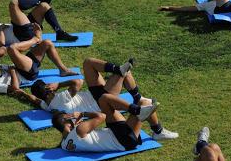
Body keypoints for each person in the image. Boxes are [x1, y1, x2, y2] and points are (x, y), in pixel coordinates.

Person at [29, 57, 179, 140]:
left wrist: (21, 93)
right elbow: (78, 82)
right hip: (100, 101)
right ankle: (157, 129)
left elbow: (35, 100)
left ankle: (127, 82)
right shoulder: (59, 98)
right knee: (120, 72)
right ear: (48, 90)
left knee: (90, 64)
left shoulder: (47, 106)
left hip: (95, 96)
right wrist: (58, 84)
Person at [52, 59, 159, 152]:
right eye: (70, 117)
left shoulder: (64, 144)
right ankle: (156, 128)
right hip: (124, 140)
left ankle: (139, 111)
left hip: (113, 132)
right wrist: (82, 113)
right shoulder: (79, 130)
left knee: (104, 97)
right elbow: (102, 116)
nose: (74, 117)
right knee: (146, 103)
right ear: (67, 124)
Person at [0, 38, 77, 96]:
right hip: (27, 74)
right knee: (12, 48)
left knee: (47, 43)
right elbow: (15, 89)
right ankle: (34, 39)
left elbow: (2, 49)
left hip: (22, 65)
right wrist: (12, 72)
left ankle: (63, 70)